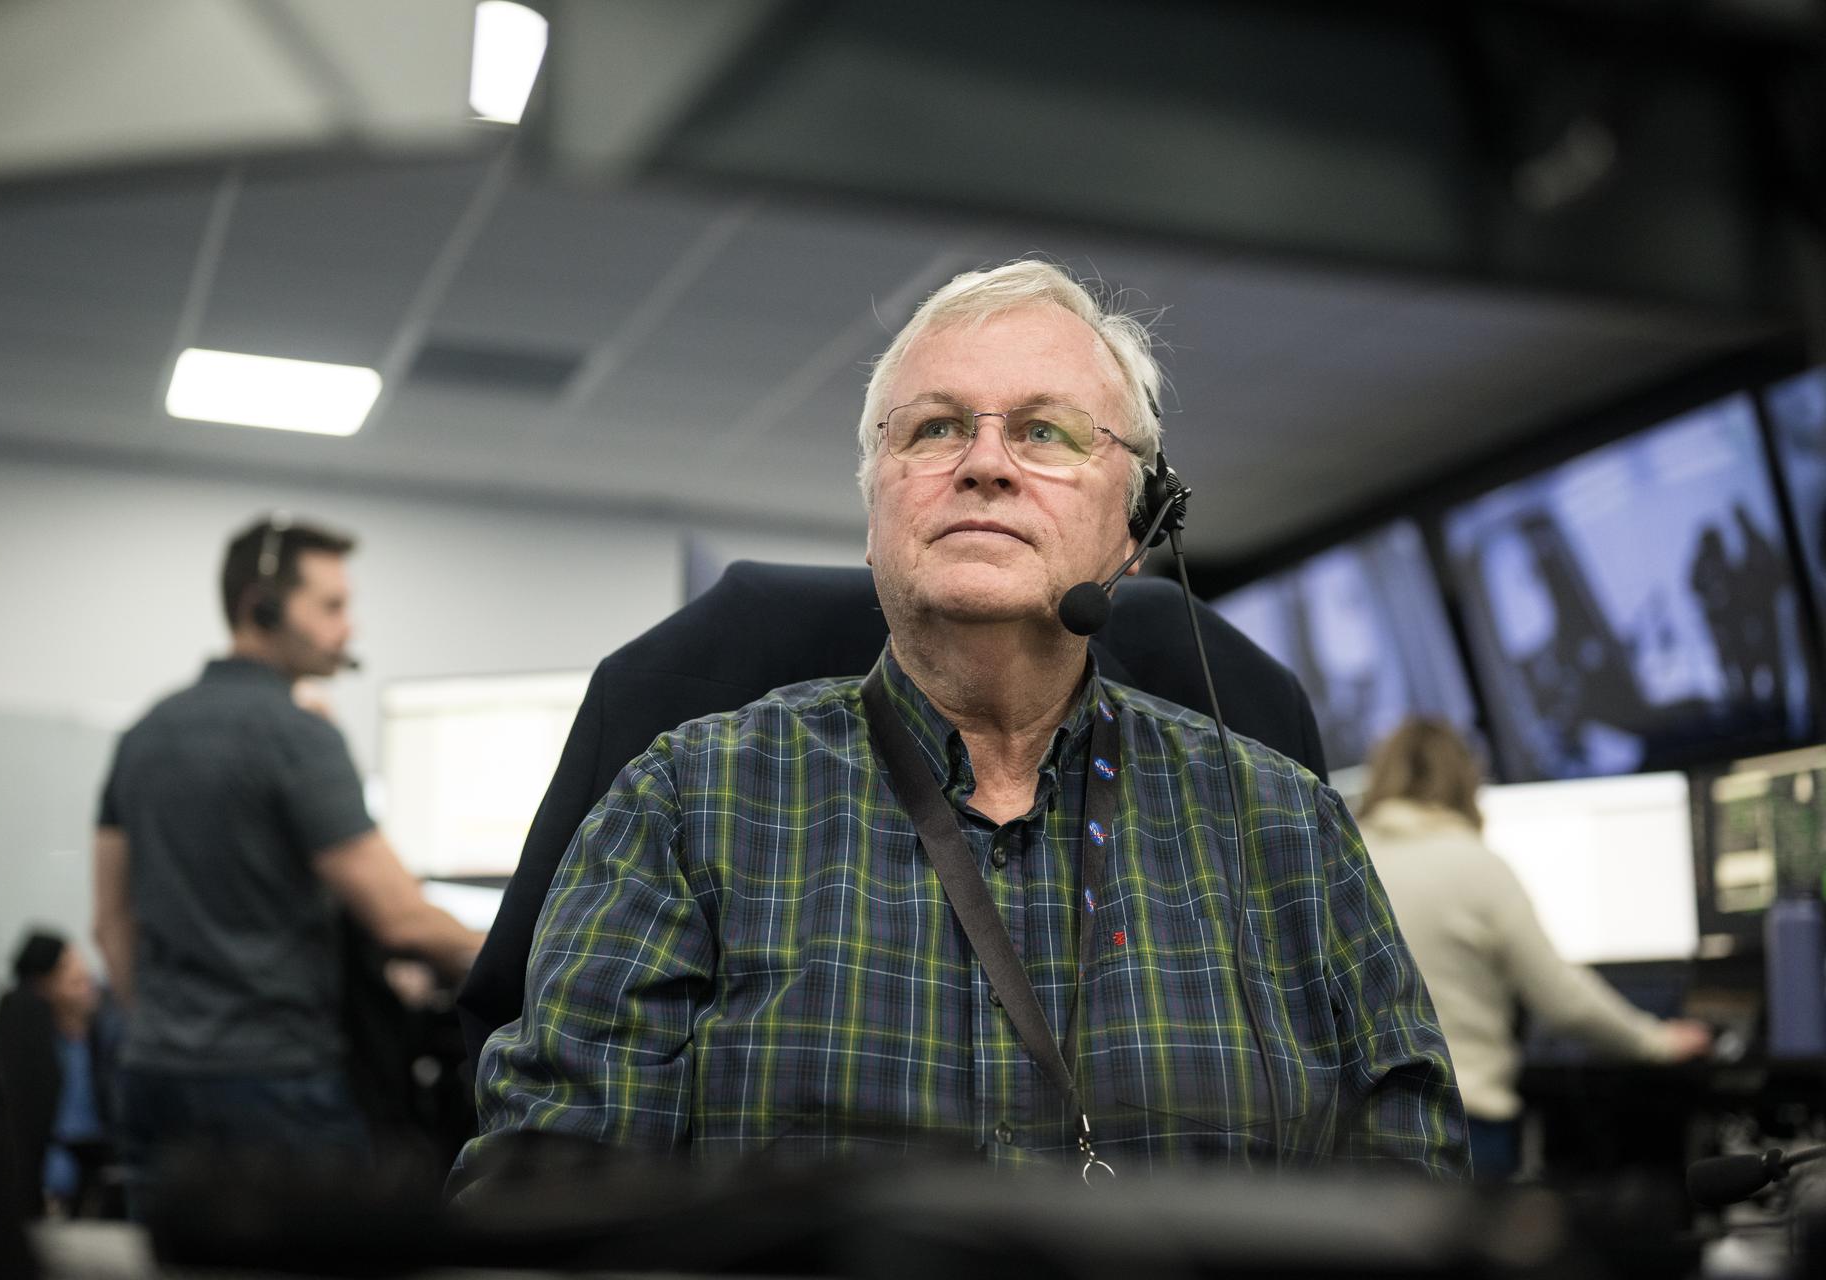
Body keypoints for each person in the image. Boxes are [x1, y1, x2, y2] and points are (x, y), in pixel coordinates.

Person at [459, 260, 1466, 1181]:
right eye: (935, 426)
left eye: (1045, 431)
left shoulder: (1288, 828)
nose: (984, 462)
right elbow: (547, 1198)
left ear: (1136, 524)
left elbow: (1416, 1186)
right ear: (875, 515)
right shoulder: (688, 801)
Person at [93, 515, 484, 1185]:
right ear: (261, 608)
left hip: (156, 1075)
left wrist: (170, 1030)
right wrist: (526, 959)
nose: (348, 629)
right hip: (275, 1086)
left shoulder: (143, 735)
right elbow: (401, 919)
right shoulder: (297, 736)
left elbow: (110, 925)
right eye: (331, 606)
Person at [1356, 717, 1712, 1179]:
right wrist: (1656, 1042)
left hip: (1354, 1139)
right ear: (1466, 780)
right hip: (1459, 1131)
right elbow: (1564, 1002)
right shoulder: (1475, 865)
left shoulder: (1345, 858)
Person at [0, 929, 120, 1217]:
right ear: (42, 986)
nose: (87, 983)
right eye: (74, 981)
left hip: (102, 1174)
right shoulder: (22, 1045)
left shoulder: (106, 1034)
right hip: (49, 1183)